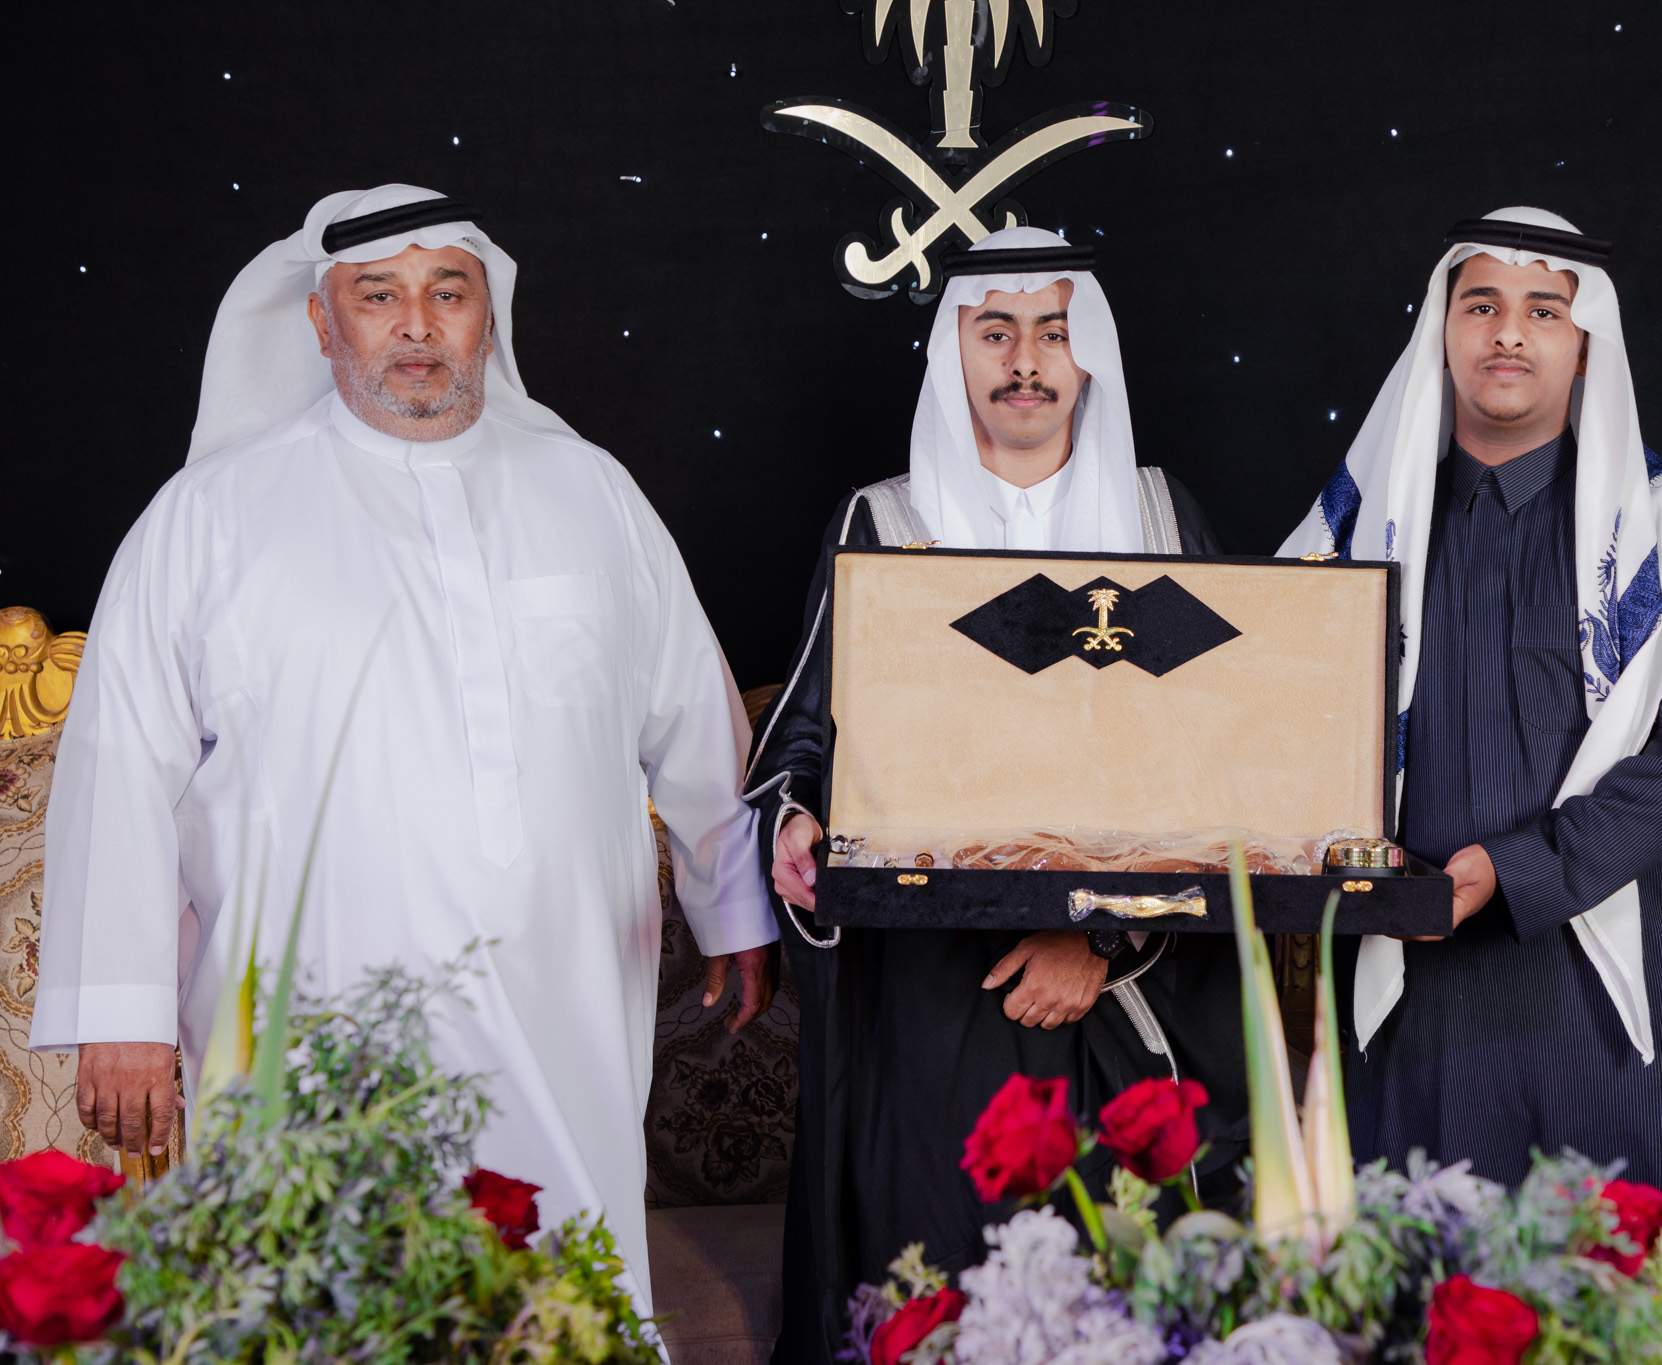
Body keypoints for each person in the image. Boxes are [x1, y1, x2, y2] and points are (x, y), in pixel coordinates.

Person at [28, 185, 778, 1316]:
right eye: (378, 296)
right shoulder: (207, 517)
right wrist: (123, 1013)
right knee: (321, 1290)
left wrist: (736, 908)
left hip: (563, 1001)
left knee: (559, 1287)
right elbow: (121, 767)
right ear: (320, 320)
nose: (417, 325)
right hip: (306, 1015)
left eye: (447, 293)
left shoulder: (592, 493)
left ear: (488, 315)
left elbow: (693, 716)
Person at [747, 227, 1246, 1364]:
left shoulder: (1160, 520)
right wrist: (795, 820)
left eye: (1053, 332)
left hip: (1126, 980)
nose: (1025, 360)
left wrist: (1097, 939)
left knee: (1121, 1287)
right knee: (932, 1273)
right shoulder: (883, 522)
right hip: (935, 980)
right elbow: (809, 729)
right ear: (954, 354)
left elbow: (1223, 761)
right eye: (996, 333)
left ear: (1087, 353)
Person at [1279, 207, 1662, 1320]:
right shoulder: (1351, 535)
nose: (1509, 332)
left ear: (1585, 342)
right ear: (1442, 331)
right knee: (1438, 1301)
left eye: (1543, 309)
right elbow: (1277, 729)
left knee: (1646, 1304)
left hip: (1633, 986)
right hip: (1425, 990)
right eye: (1482, 305)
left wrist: (1513, 868)